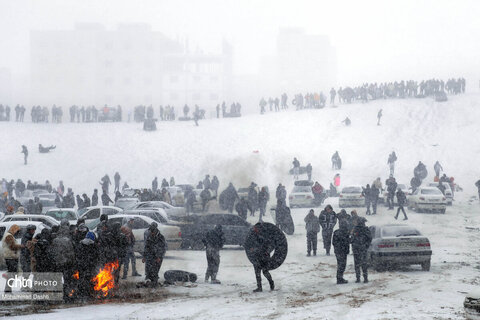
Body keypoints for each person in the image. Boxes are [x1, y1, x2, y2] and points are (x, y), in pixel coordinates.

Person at [143, 222, 166, 287]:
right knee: (148, 270)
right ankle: (149, 282)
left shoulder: (161, 237)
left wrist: (159, 257)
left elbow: (162, 248)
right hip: (150, 255)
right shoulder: (149, 236)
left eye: (152, 232)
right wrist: (144, 256)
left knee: (155, 270)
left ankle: (154, 284)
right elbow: (146, 247)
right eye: (150, 231)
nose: (151, 233)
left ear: (155, 231)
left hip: (158, 256)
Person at [2, 224, 23, 292]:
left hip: (11, 257)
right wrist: (21, 246)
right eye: (17, 230)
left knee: (13, 272)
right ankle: (8, 288)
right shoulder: (9, 236)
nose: (17, 232)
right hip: (10, 257)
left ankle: (8, 287)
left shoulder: (9, 235)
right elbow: (12, 246)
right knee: (12, 273)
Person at [351, 217, 372, 283]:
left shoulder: (355, 229)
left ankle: (358, 278)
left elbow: (352, 239)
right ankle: (365, 278)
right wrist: (366, 246)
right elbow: (369, 238)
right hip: (363, 249)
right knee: (364, 264)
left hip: (356, 249)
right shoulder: (366, 229)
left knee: (357, 264)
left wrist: (354, 245)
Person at [332, 219, 350, 284]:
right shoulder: (344, 232)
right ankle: (339, 278)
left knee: (340, 265)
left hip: (339, 251)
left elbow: (334, 242)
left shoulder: (336, 232)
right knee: (342, 265)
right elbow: (347, 241)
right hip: (342, 251)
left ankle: (339, 278)